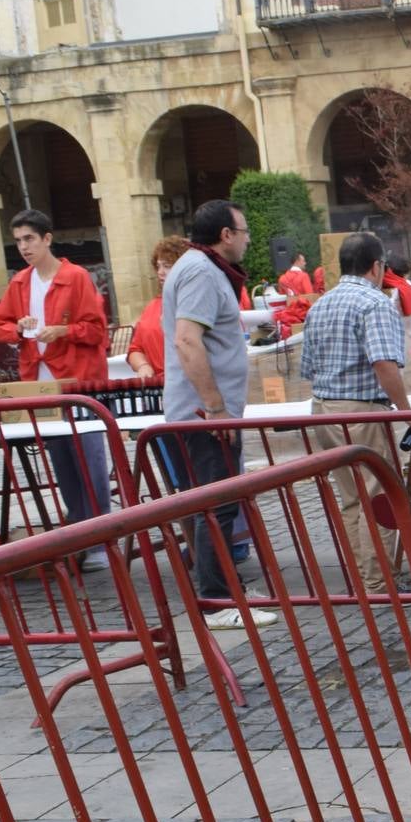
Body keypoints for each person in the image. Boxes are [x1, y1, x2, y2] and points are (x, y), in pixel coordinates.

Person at [165, 197, 278, 630]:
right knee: (216, 505)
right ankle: (215, 600)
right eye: (244, 232)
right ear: (226, 235)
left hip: (206, 412)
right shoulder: (199, 270)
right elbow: (188, 341)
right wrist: (214, 408)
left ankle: (220, 590)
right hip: (204, 415)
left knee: (213, 504)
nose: (248, 240)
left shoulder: (202, 269)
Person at [300, 231, 411, 594]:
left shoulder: (320, 305)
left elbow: (308, 368)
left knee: (351, 498)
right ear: (377, 266)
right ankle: (379, 583)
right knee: (378, 498)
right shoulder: (374, 303)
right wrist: (406, 411)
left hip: (324, 408)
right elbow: (384, 364)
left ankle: (367, 579)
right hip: (362, 411)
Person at [0, 208, 113, 552]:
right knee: (62, 458)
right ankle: (80, 531)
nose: (23, 247)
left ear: (47, 239)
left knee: (89, 458)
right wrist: (17, 329)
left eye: (29, 239)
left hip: (78, 380)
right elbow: (0, 327)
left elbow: (96, 330)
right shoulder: (19, 282)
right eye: (18, 241)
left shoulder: (76, 277)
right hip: (41, 382)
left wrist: (63, 330)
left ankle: (100, 535)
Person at [127, 235, 192, 378]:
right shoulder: (152, 306)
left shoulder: (194, 302)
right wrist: (143, 366)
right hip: (159, 387)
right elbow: (135, 349)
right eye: (158, 266)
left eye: (167, 266)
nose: (160, 272)